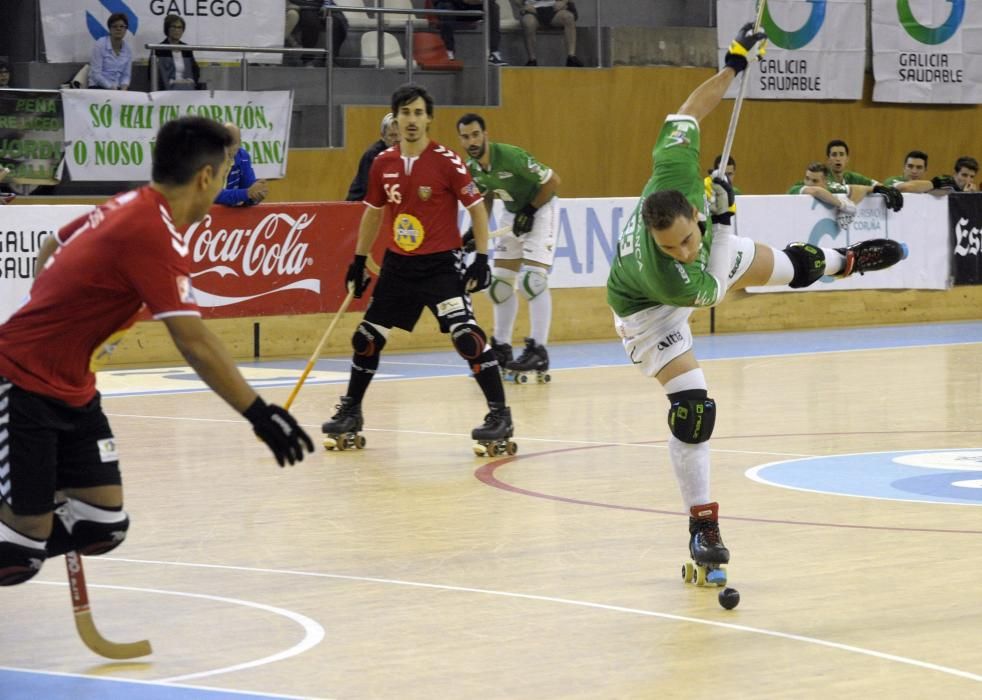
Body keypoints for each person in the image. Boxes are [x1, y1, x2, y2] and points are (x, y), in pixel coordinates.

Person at [606, 24, 907, 586]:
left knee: (799, 267)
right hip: (648, 311)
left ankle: (845, 260)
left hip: (706, 257)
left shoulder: (673, 173)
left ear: (688, 209)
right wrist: (720, 222)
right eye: (672, 246)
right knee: (695, 409)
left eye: (686, 237)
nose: (681, 248)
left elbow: (690, 111)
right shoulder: (668, 269)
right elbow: (712, 291)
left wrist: (735, 63)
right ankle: (703, 525)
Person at [0, 116, 313, 587]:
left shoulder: (133, 203)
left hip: (73, 390)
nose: (225, 184)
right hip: (20, 380)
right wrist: (259, 414)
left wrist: (69, 328)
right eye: (227, 172)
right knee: (21, 554)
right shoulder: (151, 231)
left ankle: (31, 512)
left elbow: (50, 246)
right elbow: (195, 343)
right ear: (206, 177)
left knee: (102, 528)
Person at [322, 84, 515, 455]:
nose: (411, 120)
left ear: (429, 118)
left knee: (467, 338)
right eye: (404, 113)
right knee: (366, 338)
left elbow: (476, 208)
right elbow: (374, 212)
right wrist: (359, 260)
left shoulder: (446, 161)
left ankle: (499, 414)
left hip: (441, 264)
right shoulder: (383, 163)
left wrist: (480, 257)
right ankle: (351, 412)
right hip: (398, 265)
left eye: (417, 113)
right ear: (395, 118)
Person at [456, 112, 560, 379]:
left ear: (485, 134)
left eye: (476, 134)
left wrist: (531, 209)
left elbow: (552, 181)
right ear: (462, 141)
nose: (472, 141)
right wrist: (475, 230)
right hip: (513, 213)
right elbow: (487, 195)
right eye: (466, 137)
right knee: (500, 286)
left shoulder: (511, 156)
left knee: (532, 281)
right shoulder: (474, 168)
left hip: (542, 208)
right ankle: (502, 347)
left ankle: (539, 350)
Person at [787, 162, 902, 230]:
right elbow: (816, 191)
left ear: (825, 181)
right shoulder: (797, 188)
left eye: (815, 180)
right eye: (807, 178)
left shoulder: (831, 187)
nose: (809, 183)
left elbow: (860, 188)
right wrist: (842, 205)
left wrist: (879, 189)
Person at [345, 113, 400, 202]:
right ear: (382, 136)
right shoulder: (373, 155)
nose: (398, 139)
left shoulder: (406, 153)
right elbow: (370, 188)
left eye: (400, 135)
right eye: (392, 135)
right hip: (358, 204)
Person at [510, 0, 583, 67]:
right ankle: (532, 59)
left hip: (554, 9)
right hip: (533, 10)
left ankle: (571, 57)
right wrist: (523, 6)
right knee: (528, 22)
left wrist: (563, 2)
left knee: (569, 17)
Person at [435, 0, 508, 65]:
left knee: (493, 6)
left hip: (472, 5)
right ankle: (448, 52)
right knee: (445, 5)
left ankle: (493, 53)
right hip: (451, 5)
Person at [215, 122, 268, 207]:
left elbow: (249, 191)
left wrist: (256, 196)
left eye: (233, 143)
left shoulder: (243, 157)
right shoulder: (208, 158)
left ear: (239, 143)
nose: (228, 147)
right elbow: (212, 195)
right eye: (225, 142)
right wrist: (246, 193)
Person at [286, 0, 348, 67]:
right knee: (311, 22)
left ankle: (330, 58)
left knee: (337, 22)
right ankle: (308, 59)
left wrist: (326, 4)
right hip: (302, 4)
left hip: (320, 3)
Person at [149, 14, 201, 91]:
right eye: (174, 27)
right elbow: (152, 75)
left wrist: (190, 82)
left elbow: (195, 71)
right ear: (167, 29)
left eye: (180, 27)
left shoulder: (186, 48)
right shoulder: (159, 49)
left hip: (186, 89)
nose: (177, 30)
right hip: (166, 91)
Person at [88, 12, 132, 90]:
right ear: (110, 29)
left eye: (122, 26)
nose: (118, 29)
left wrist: (124, 89)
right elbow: (96, 74)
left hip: (118, 89)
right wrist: (111, 88)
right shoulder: (100, 44)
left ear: (126, 30)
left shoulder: (127, 49)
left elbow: (126, 75)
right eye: (115, 26)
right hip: (99, 87)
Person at [882, 150, 958, 193]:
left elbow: (942, 193)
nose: (914, 171)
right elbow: (906, 188)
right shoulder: (891, 181)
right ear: (904, 168)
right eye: (910, 166)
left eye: (919, 167)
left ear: (925, 170)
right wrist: (935, 183)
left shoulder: (926, 186)